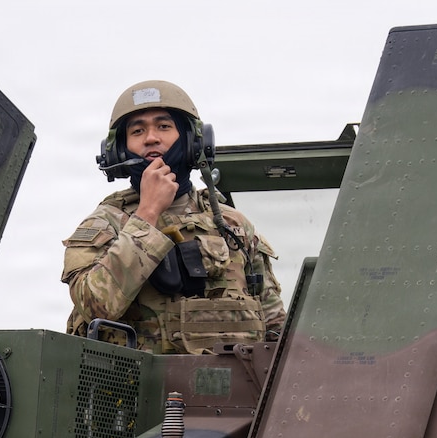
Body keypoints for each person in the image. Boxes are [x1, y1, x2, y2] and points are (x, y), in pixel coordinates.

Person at [61, 80, 286, 354]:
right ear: (119, 149)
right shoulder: (102, 224)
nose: (151, 138)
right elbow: (96, 306)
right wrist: (147, 214)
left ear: (192, 140)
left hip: (237, 391)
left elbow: (276, 328)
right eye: (137, 130)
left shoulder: (233, 226)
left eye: (164, 127)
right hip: (133, 392)